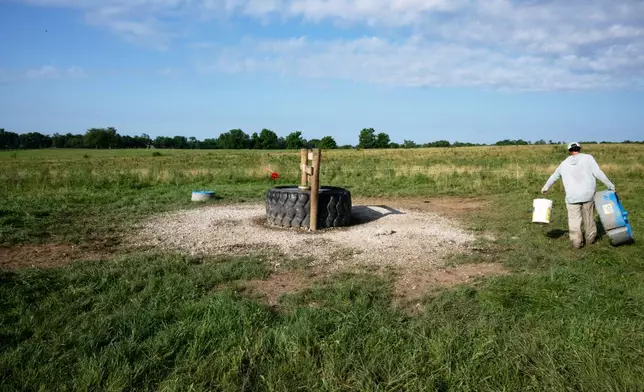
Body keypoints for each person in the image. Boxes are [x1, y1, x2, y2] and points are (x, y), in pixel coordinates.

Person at [541, 142, 615, 248]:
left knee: (574, 220)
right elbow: (598, 173)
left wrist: (545, 188)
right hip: (588, 195)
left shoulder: (564, 163)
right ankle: (590, 239)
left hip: (572, 197)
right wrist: (610, 185)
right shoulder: (588, 158)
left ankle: (576, 242)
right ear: (580, 148)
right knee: (588, 217)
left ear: (569, 151)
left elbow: (554, 176)